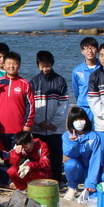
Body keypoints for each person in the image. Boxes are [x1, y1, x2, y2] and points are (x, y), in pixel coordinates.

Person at [30, 50, 69, 185]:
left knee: (56, 155)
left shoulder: (60, 81)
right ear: (38, 65)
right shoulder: (34, 82)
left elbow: (64, 105)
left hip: (55, 128)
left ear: (52, 64)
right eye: (42, 66)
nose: (45, 69)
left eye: (47, 66)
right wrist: (39, 121)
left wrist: (55, 123)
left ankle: (57, 180)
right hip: (38, 128)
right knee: (39, 154)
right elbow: (31, 105)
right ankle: (40, 180)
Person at [0, 50, 34, 150]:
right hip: (1, 128)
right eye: (9, 63)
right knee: (4, 155)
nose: (11, 66)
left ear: (19, 65)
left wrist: (28, 125)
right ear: (4, 65)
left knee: (18, 155)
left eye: (15, 63)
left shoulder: (25, 84)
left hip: (19, 129)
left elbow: (31, 107)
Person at [62, 107, 104, 200]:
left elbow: (95, 160)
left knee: (92, 197)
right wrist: (74, 143)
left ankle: (90, 184)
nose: (79, 122)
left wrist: (91, 183)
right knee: (70, 164)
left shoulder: (94, 136)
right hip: (77, 170)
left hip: (91, 171)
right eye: (75, 120)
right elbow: (70, 154)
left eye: (81, 119)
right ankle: (72, 188)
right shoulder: (66, 135)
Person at [71, 37, 101, 121]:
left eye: (93, 48)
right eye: (87, 48)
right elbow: (76, 91)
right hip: (84, 108)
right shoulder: (77, 71)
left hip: (100, 107)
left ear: (97, 50)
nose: (90, 51)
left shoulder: (103, 68)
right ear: (82, 51)